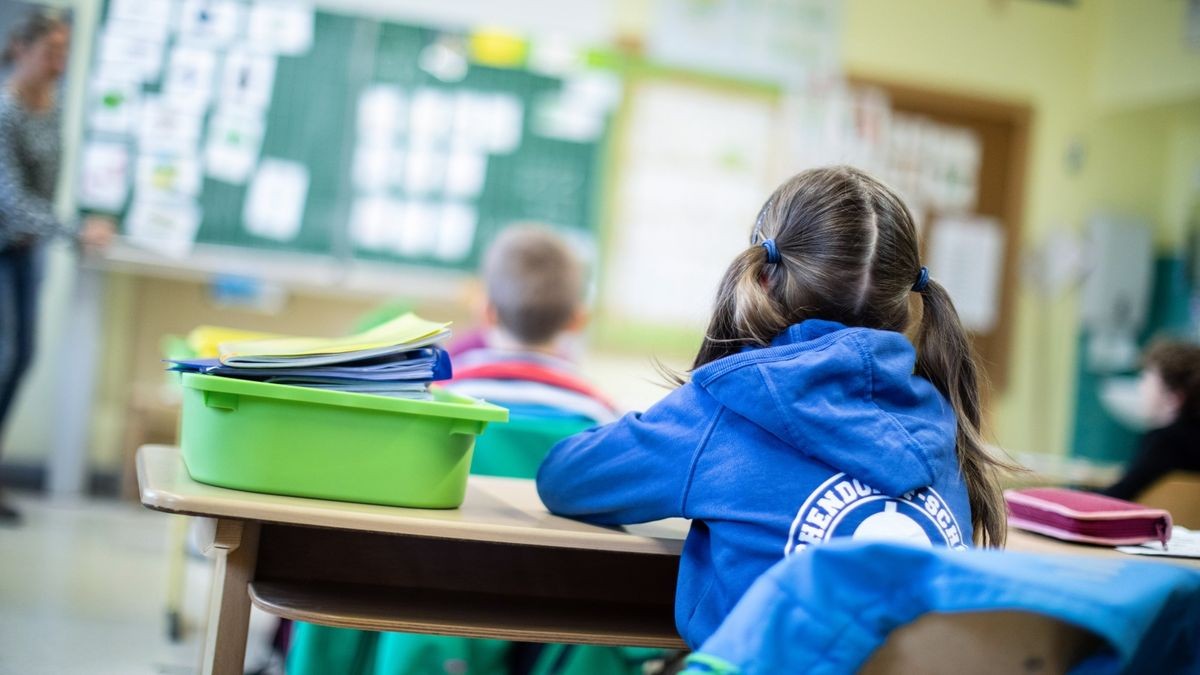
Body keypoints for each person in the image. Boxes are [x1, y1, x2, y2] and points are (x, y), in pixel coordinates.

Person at [536, 166, 1012, 650]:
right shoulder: (941, 421)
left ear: (763, 276)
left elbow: (565, 478)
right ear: (907, 300)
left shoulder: (727, 405)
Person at [287, 226, 650, 675]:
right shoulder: (603, 424)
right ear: (579, 319)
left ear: (485, 309)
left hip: (423, 630)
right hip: (546, 638)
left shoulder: (433, 405)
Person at [0, 10, 114, 524]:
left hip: (28, 250)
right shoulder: (4, 110)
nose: (59, 63)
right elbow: (10, 197)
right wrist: (74, 231)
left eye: (65, 53)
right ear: (20, 49)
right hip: (4, 247)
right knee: (3, 361)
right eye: (50, 52)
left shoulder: (55, 104)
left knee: (21, 358)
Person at [1100, 339, 1200, 501]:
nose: (1141, 388)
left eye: (1147, 380)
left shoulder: (1164, 441)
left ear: (1173, 398)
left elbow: (1117, 497)